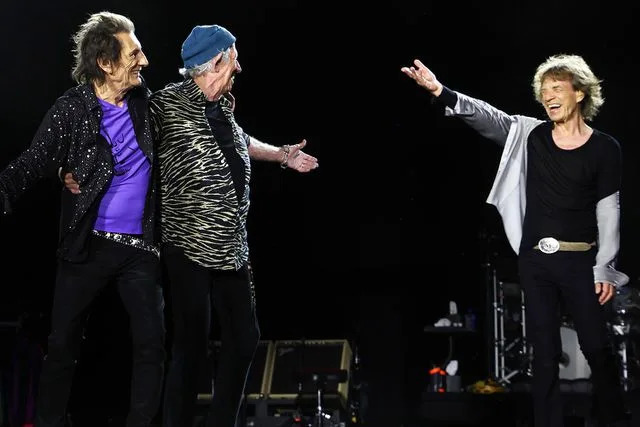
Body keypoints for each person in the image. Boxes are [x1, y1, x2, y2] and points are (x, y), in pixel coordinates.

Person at [401, 55, 630, 426]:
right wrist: (442, 92)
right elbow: (488, 117)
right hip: (536, 261)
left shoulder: (605, 148)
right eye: (544, 91)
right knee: (544, 352)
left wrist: (605, 265)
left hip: (581, 263)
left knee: (596, 348)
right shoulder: (530, 134)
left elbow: (609, 211)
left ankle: (613, 419)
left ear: (580, 93)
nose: (549, 97)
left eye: (557, 89)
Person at [0, 12, 165, 427]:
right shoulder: (71, 110)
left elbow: (199, 130)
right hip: (87, 244)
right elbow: (32, 162)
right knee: (62, 347)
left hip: (140, 248)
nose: (144, 61)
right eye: (134, 53)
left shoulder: (147, 103)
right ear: (105, 63)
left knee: (151, 345)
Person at [148, 25, 319, 427]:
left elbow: (239, 140)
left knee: (245, 338)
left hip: (231, 246)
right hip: (187, 243)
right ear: (214, 63)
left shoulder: (223, 106)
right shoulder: (164, 106)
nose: (238, 67)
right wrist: (83, 169)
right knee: (190, 346)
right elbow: (123, 144)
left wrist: (281, 155)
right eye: (234, 58)